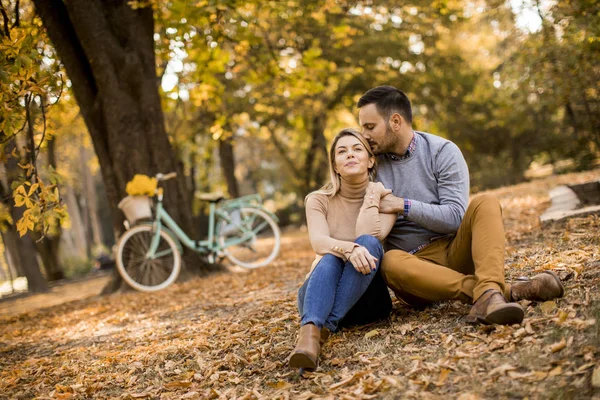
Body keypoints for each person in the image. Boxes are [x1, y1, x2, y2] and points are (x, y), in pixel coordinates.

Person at [356, 85, 564, 325]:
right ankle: (500, 292)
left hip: (456, 250)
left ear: (395, 121)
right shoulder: (370, 165)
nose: (364, 135)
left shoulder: (442, 152)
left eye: (370, 127)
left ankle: (488, 292)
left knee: (486, 202)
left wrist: (403, 205)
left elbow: (455, 216)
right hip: (414, 270)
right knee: (390, 261)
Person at [289, 128, 397, 373]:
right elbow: (318, 242)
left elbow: (369, 236)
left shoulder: (387, 200)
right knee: (329, 257)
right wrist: (347, 250)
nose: (350, 155)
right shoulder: (318, 199)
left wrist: (371, 194)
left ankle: (320, 329)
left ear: (371, 160)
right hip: (318, 297)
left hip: (367, 299)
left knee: (368, 244)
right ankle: (310, 337)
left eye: (357, 149)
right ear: (335, 166)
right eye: (342, 151)